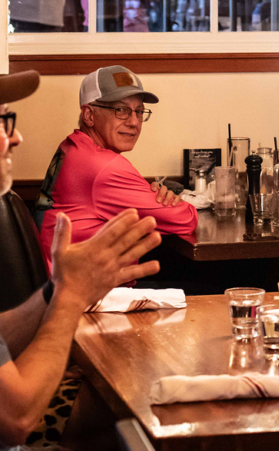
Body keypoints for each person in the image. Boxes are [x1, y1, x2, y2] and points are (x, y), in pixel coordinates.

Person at [0, 70, 163, 448]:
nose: (17, 136)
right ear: (90, 114)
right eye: (4, 120)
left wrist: (56, 290)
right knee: (143, 394)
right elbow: (15, 417)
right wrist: (71, 296)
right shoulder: (100, 162)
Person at [35, 65, 198, 265]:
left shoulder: (72, 147)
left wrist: (149, 196)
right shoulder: (103, 167)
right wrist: (172, 202)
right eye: (121, 110)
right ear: (89, 115)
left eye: (139, 111)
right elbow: (185, 220)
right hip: (88, 293)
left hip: (64, 283)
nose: (134, 122)